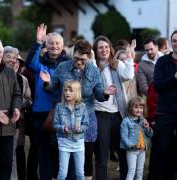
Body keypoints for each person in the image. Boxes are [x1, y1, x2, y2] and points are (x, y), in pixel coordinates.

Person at [40, 39, 117, 180]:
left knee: (86, 154)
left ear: (88, 57)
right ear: (73, 54)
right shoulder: (63, 67)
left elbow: (99, 93)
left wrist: (104, 92)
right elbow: (52, 88)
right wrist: (46, 83)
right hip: (65, 115)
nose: (79, 63)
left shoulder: (93, 70)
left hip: (86, 115)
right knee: (62, 153)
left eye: (83, 60)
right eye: (76, 58)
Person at [26, 23, 71, 180]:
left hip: (63, 113)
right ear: (46, 45)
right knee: (43, 152)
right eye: (51, 43)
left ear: (63, 45)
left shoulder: (67, 63)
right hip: (41, 113)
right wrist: (38, 42)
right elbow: (29, 62)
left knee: (61, 152)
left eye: (57, 43)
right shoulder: (40, 62)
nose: (54, 46)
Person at [92, 35, 135, 180]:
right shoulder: (92, 67)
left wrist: (129, 57)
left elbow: (128, 75)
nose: (103, 50)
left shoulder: (116, 64)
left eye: (105, 47)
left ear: (110, 49)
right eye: (100, 47)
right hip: (100, 115)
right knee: (102, 154)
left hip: (118, 114)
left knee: (122, 151)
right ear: (96, 51)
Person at [148, 30, 177, 180]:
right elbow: (158, 86)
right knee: (162, 149)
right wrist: (174, 78)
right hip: (165, 112)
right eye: (175, 41)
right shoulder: (163, 62)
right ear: (171, 43)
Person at [0, 39, 22, 180]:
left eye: (0, 52)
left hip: (8, 127)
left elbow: (17, 95)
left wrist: (17, 108)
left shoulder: (9, 72)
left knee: (6, 163)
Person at [54, 80, 89, 180]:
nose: (67, 93)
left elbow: (86, 124)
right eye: (65, 90)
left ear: (77, 92)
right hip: (64, 143)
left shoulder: (82, 107)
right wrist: (62, 128)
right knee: (62, 173)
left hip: (78, 143)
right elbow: (55, 124)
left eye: (70, 90)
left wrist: (80, 129)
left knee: (80, 173)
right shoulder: (59, 107)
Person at [120, 96, 153, 180]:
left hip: (142, 150)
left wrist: (148, 128)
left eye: (141, 107)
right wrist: (132, 145)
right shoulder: (126, 121)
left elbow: (150, 135)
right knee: (132, 171)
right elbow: (124, 137)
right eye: (136, 107)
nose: (139, 110)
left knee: (140, 171)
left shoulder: (143, 120)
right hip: (132, 150)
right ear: (131, 108)